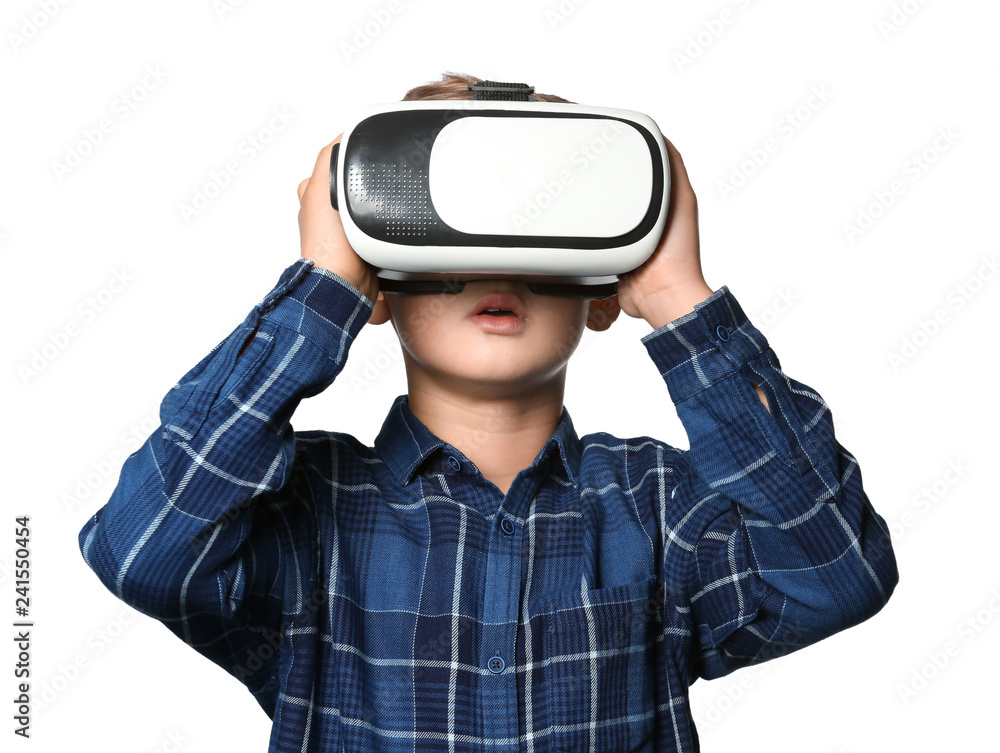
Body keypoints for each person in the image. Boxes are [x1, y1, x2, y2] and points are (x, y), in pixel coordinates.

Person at [77, 72, 898, 752]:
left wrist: (679, 296)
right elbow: (145, 547)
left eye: (541, 220)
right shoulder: (309, 511)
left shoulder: (658, 504)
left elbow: (837, 575)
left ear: (602, 288)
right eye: (455, 225)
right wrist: (320, 290)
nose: (498, 261)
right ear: (381, 284)